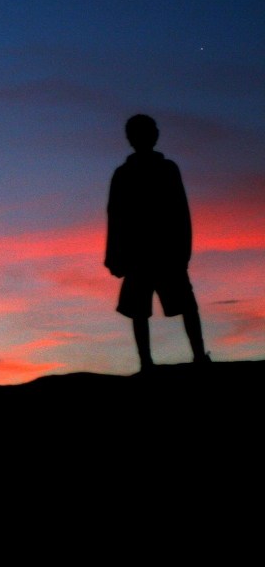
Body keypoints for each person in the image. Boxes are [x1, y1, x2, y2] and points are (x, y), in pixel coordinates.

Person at [105, 113, 208, 373]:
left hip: (165, 252)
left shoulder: (165, 169)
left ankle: (197, 356)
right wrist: (114, 255)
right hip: (140, 254)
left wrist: (183, 250)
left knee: (183, 305)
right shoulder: (124, 174)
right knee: (140, 310)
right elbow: (116, 216)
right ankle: (148, 362)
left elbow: (180, 212)